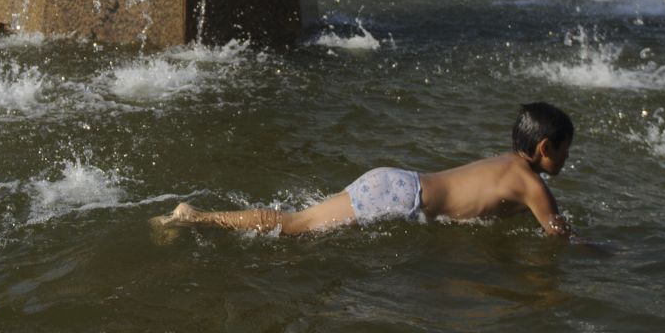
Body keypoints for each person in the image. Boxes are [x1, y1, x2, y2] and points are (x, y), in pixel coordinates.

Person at [153, 102, 578, 238]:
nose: (566, 159)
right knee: (292, 227)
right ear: (544, 148)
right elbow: (561, 239)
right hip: (400, 197)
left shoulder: (505, 164)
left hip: (396, 181)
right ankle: (197, 218)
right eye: (564, 151)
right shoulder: (533, 187)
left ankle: (200, 217)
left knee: (299, 218)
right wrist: (603, 253)